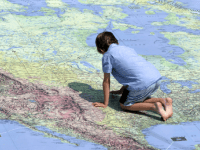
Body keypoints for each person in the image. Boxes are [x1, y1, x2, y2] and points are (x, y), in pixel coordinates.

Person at [92, 31, 173, 121]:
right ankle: (164, 101)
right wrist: (121, 91)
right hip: (156, 78)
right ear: (116, 42)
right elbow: (132, 72)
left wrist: (105, 103)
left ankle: (154, 106)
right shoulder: (127, 49)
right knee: (137, 99)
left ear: (101, 50)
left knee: (125, 105)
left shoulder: (107, 55)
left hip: (142, 84)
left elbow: (106, 81)